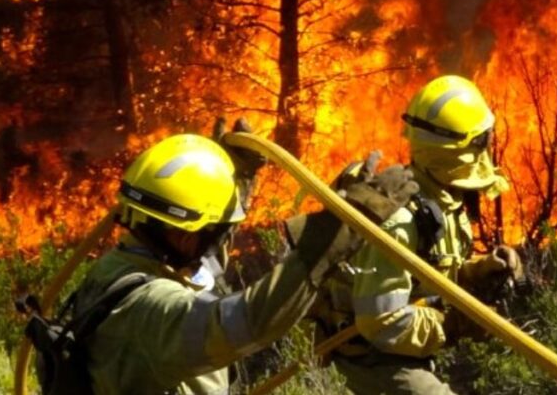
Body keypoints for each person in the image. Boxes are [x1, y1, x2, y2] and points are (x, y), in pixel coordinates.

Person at [68, 122, 394, 394]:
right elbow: (249, 321)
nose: (224, 240)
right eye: (220, 230)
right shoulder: (150, 308)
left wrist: (233, 180)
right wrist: (330, 240)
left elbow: (205, 269)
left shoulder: (137, 262)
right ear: (186, 235)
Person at [316, 74, 522, 395]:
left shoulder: (438, 195)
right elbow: (382, 323)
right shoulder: (399, 220)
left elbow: (427, 273)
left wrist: (477, 270)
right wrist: (454, 325)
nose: (487, 145)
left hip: (403, 350)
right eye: (481, 139)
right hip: (374, 361)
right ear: (459, 149)